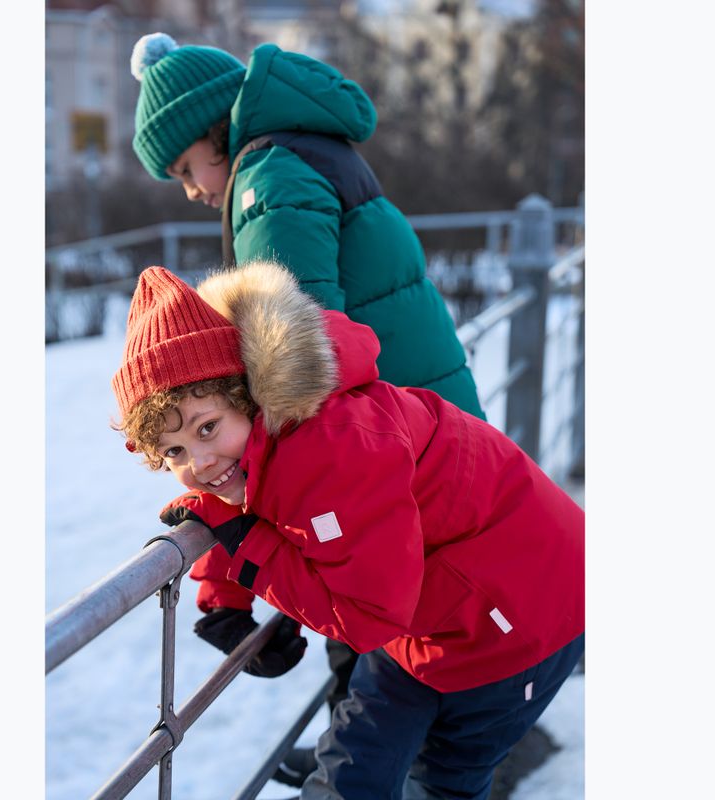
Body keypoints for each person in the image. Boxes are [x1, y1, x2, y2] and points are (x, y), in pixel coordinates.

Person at [128, 33, 488, 782]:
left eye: (187, 166)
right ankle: (358, 768)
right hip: (421, 431)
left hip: (387, 445)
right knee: (400, 653)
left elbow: (289, 376)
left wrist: (233, 571)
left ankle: (357, 776)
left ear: (214, 129)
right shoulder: (311, 150)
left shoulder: (269, 176)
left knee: (369, 632)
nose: (192, 190)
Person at [112, 262, 585, 800]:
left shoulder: (331, 449)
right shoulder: (272, 432)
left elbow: (365, 617)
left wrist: (245, 550)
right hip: (424, 611)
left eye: (207, 428)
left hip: (522, 614)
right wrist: (225, 597)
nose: (198, 461)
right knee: (353, 766)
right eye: (174, 452)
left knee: (443, 782)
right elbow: (247, 496)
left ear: (246, 396)